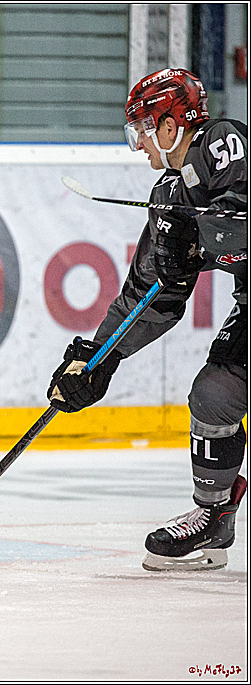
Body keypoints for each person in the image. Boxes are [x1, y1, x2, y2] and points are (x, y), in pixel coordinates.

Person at [47, 68, 247, 571]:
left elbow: (240, 221)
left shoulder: (223, 142)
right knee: (215, 394)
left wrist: (206, 231)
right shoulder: (171, 194)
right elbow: (150, 294)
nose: (138, 144)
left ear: (171, 125)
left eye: (142, 127)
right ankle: (214, 516)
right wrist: (98, 358)